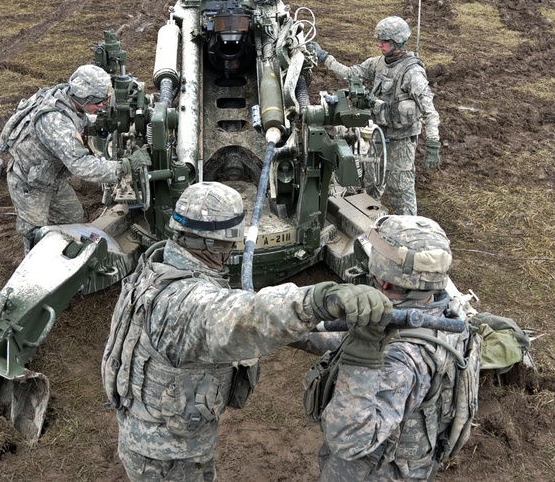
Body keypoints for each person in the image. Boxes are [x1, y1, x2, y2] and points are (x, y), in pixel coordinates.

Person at [101, 181, 393, 482]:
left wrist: (337, 338)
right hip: (168, 457)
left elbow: (237, 318)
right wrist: (319, 299)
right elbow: (248, 318)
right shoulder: (189, 305)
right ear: (214, 244)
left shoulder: (159, 265)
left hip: (156, 437)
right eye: (231, 243)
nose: (234, 249)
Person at [312, 214, 475, 481]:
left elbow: (349, 439)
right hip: (413, 462)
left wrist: (362, 352)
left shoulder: (398, 357)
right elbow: (340, 340)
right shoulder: (445, 315)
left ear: (385, 279)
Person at [0, 64, 150, 253]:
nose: (102, 105)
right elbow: (82, 166)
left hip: (51, 175)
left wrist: (98, 125)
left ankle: (67, 252)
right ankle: (39, 271)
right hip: (30, 183)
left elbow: (77, 120)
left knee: (72, 218)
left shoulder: (66, 96)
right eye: (99, 102)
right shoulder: (55, 122)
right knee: (34, 232)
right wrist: (126, 166)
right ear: (84, 98)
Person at [308, 16, 440, 216]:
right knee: (369, 184)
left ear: (397, 43)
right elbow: (350, 73)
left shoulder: (412, 73)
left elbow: (429, 111)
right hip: (377, 135)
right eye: (379, 40)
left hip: (401, 141)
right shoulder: (377, 63)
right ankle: (369, 226)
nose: (380, 45)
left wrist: (433, 144)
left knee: (400, 191)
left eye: (384, 42)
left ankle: (408, 230)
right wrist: (324, 57)